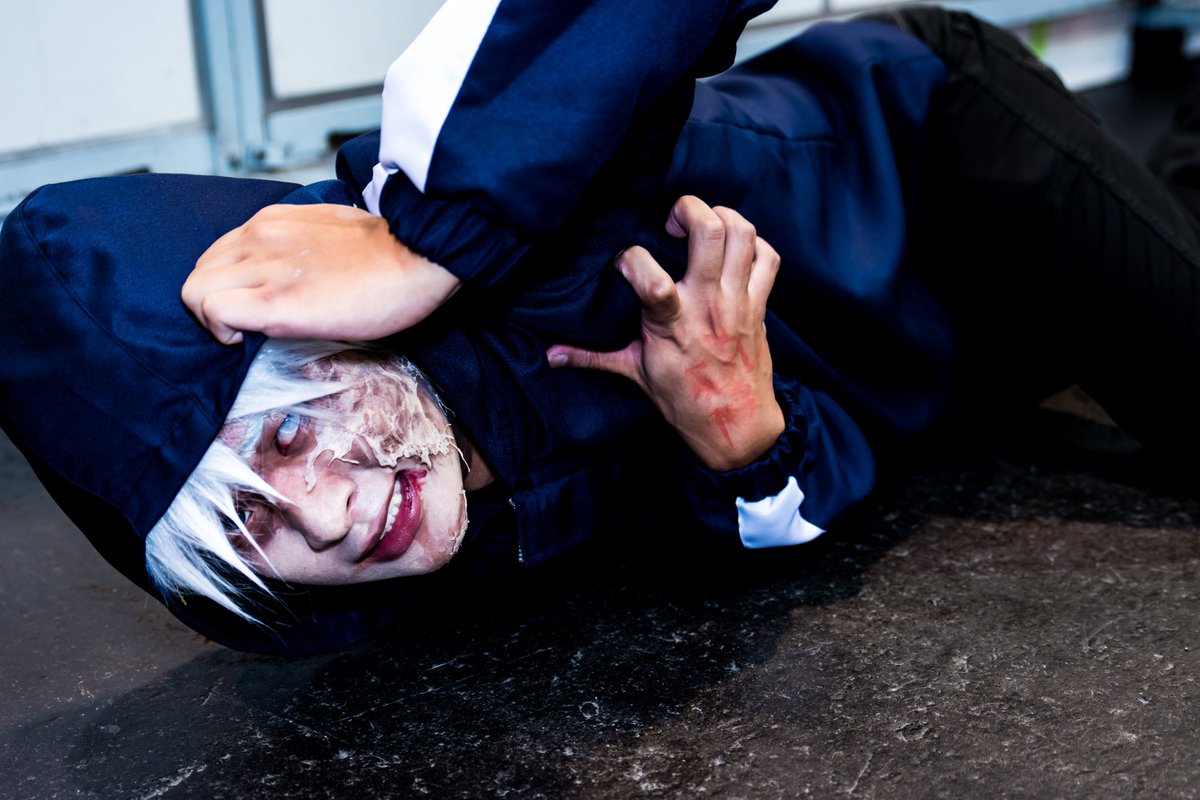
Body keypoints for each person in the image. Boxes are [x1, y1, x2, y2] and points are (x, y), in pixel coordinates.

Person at [2, 3, 1199, 656]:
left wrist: (440, 231)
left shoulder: (526, 235)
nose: (325, 516)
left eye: (282, 435)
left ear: (314, 330)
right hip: (942, 375)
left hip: (949, 172)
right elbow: (793, 493)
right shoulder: (412, 540)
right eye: (250, 527)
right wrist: (745, 442)